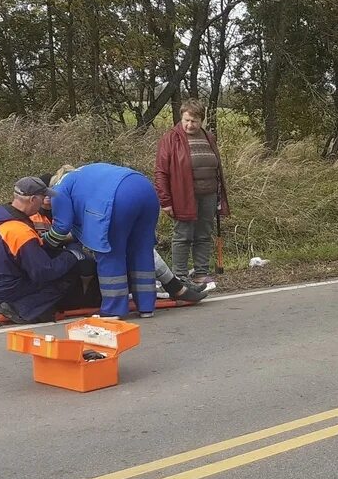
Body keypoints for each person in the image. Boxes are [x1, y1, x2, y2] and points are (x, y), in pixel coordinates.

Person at [31, 175, 206, 304]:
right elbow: (66, 231)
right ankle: (168, 290)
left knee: (142, 250)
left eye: (49, 195)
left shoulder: (68, 199)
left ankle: (171, 287)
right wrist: (48, 242)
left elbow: (73, 231)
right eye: (44, 196)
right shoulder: (40, 209)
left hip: (83, 239)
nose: (47, 199)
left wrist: (54, 239)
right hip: (69, 248)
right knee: (127, 251)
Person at [46, 163, 161, 317]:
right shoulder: (86, 174)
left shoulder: (59, 188)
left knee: (111, 252)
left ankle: (114, 310)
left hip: (117, 197)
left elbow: (62, 225)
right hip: (145, 188)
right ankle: (147, 307)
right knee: (141, 250)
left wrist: (47, 242)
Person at [0, 177, 87, 324]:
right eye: (42, 198)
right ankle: (22, 308)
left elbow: (24, 251)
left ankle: (6, 300)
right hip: (8, 286)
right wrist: (72, 254)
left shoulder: (1, 217)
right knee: (65, 275)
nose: (44, 202)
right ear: (33, 199)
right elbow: (44, 272)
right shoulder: (20, 232)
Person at [155, 101, 229, 285]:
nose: (190, 125)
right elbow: (161, 172)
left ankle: (200, 273)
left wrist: (219, 196)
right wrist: (165, 201)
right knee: (183, 235)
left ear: (201, 120)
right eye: (186, 120)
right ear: (181, 118)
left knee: (203, 234)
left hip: (209, 194)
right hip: (183, 195)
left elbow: (216, 168)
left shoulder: (209, 137)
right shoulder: (171, 138)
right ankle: (179, 276)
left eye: (194, 121)